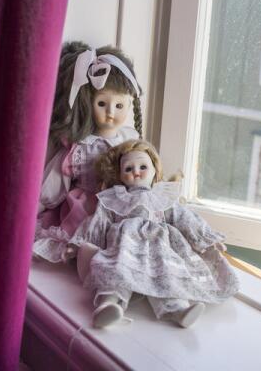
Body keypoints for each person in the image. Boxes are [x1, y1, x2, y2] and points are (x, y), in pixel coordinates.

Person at [68, 140, 240, 328]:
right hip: (125, 246)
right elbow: (97, 222)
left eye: (143, 166)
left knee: (167, 275)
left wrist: (207, 239)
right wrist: (78, 244)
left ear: (154, 171)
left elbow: (185, 218)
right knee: (116, 271)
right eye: (128, 169)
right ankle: (107, 306)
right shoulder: (114, 198)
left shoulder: (163, 197)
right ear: (120, 175)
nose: (136, 172)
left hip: (159, 247)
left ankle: (178, 310)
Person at [33, 42, 143, 263]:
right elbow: (56, 181)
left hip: (120, 204)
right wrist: (36, 206)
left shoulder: (129, 140)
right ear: (87, 103)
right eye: (102, 103)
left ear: (129, 104)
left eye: (119, 106)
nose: (110, 113)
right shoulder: (80, 146)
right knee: (85, 234)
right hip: (85, 208)